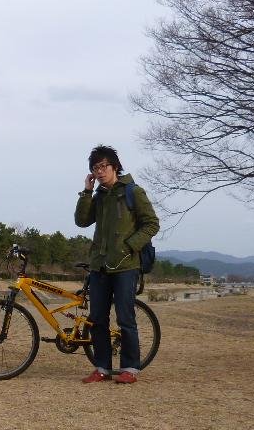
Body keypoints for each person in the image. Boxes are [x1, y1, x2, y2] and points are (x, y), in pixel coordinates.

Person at [75, 145, 159, 384]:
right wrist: (86, 191)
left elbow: (151, 224)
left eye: (103, 166)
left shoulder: (133, 192)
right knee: (97, 319)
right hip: (99, 267)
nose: (100, 172)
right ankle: (102, 368)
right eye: (95, 168)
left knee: (125, 318)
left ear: (115, 167)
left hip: (126, 266)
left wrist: (130, 245)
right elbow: (81, 221)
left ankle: (130, 369)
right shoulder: (99, 195)